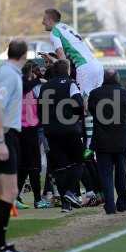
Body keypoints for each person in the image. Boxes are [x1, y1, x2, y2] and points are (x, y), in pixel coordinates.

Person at [0, 38, 29, 252]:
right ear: (24, 55)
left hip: (3, 134)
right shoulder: (9, 75)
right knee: (9, 192)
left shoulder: (7, 73)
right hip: (3, 135)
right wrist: (0, 141)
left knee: (1, 193)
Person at [41, 9, 103, 156]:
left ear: (50, 20)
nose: (42, 22)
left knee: (81, 106)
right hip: (97, 65)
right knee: (93, 108)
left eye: (44, 19)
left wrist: (59, 68)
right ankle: (94, 146)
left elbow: (63, 59)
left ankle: (88, 148)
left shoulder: (54, 32)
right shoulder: (67, 27)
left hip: (85, 67)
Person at [88, 69, 126, 214]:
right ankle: (122, 203)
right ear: (117, 78)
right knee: (121, 173)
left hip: (102, 140)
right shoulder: (125, 93)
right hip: (122, 139)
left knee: (106, 174)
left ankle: (109, 205)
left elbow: (91, 110)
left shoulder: (95, 93)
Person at [38, 59, 84, 213]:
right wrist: (76, 117)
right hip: (70, 129)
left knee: (60, 167)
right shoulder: (71, 84)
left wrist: (47, 125)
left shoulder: (45, 87)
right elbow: (78, 104)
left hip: (51, 132)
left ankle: (66, 204)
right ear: (68, 70)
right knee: (79, 161)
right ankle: (71, 192)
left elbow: (40, 111)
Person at [16, 62, 50, 209]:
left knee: (25, 166)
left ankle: (15, 197)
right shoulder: (22, 85)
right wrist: (38, 80)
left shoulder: (31, 87)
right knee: (34, 166)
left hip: (30, 129)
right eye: (35, 72)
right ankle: (37, 199)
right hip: (25, 129)